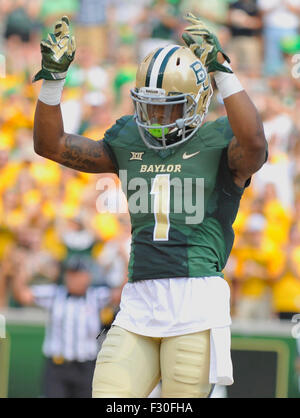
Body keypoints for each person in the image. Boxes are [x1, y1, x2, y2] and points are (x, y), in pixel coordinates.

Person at [32, 14, 267, 398]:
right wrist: (53, 80)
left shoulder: (220, 141)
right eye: (150, 105)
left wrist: (221, 71)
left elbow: (255, 144)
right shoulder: (128, 139)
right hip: (139, 299)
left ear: (197, 101)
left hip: (195, 302)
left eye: (169, 107)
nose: (157, 117)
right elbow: (51, 145)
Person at [11, 255, 114, 398]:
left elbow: (120, 294)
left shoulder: (96, 296)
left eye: (77, 274)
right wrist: (19, 271)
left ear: (87, 277)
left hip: (86, 366)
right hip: (57, 366)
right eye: (70, 274)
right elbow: (22, 296)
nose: (73, 279)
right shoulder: (54, 294)